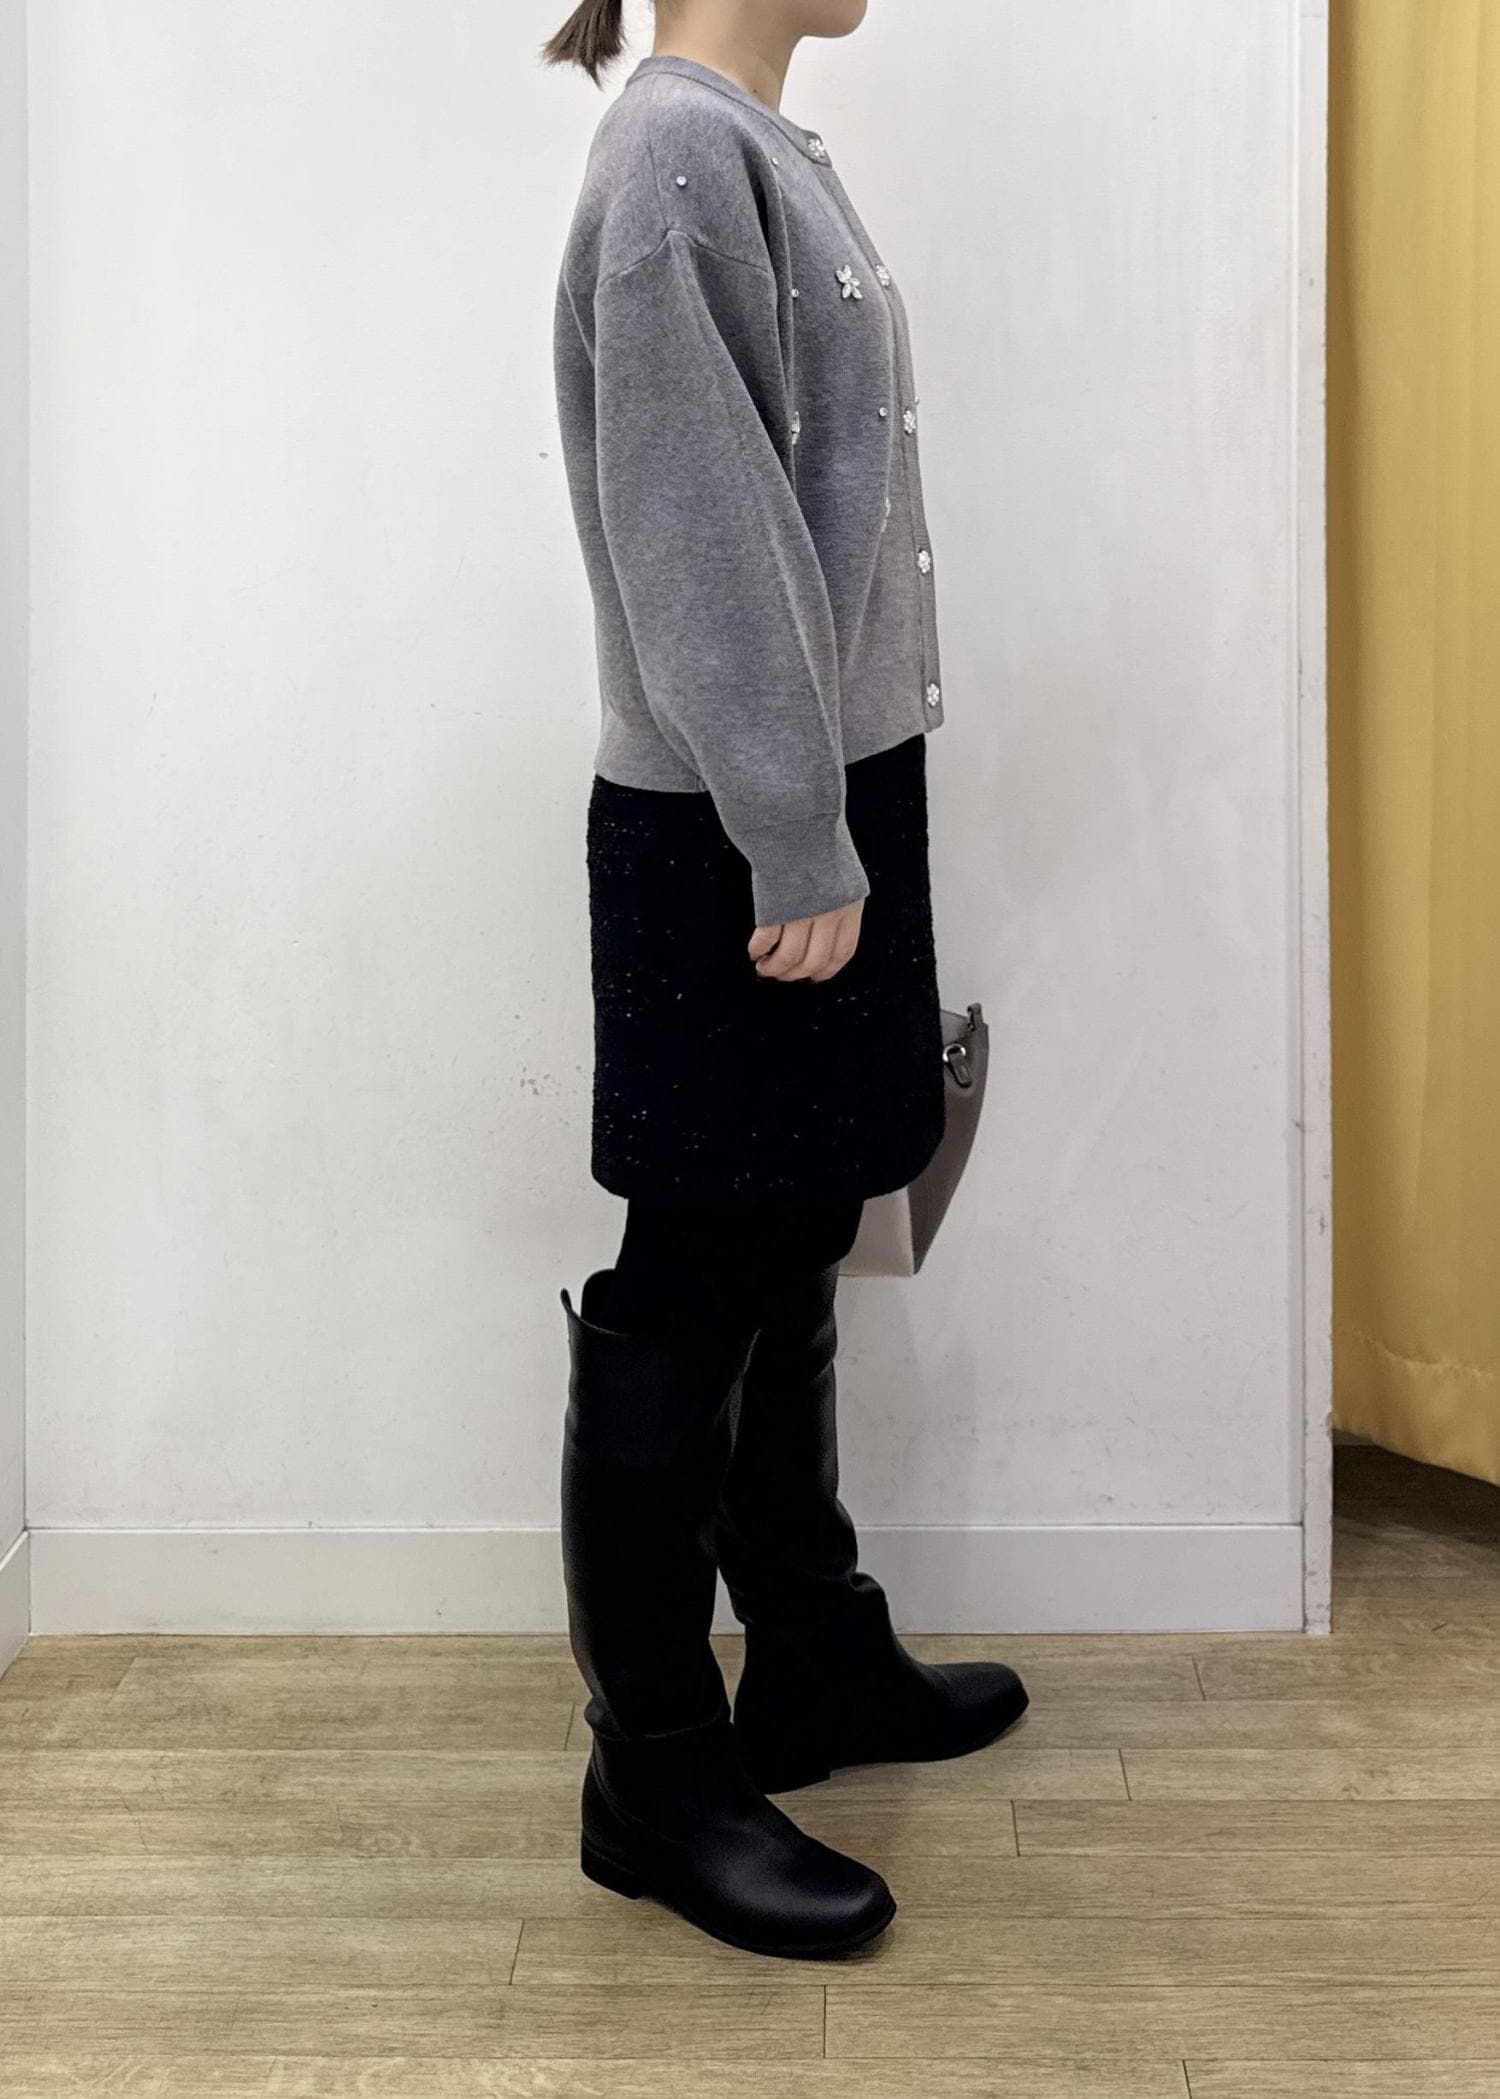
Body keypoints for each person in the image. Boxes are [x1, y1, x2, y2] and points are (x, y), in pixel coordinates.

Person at [545, 0, 1027, 1960]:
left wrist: (832, 800)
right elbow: (699, 528)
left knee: (799, 1218)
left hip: (816, 784)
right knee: (698, 1259)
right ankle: (654, 1773)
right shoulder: (676, 154)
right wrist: (788, 820)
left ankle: (811, 1655)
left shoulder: (749, 144)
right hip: (738, 818)